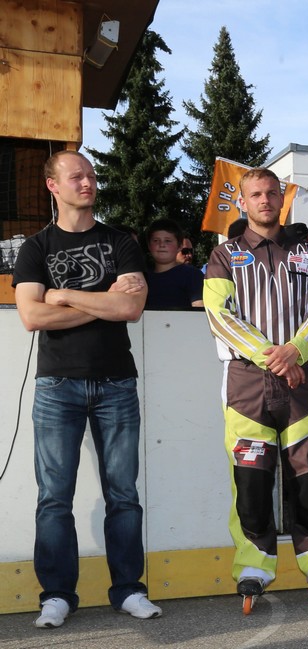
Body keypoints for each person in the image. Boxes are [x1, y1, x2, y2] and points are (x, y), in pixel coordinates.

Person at [13, 150, 160, 628]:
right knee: (54, 497)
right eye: (76, 176)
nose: (88, 182)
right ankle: (56, 595)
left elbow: (130, 309)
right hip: (57, 386)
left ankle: (129, 589)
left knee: (124, 494)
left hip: (117, 381)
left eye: (92, 175)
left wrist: (65, 295)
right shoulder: (35, 248)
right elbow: (32, 316)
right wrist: (101, 302)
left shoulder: (120, 242)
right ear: (53, 186)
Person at [203, 167, 308, 607]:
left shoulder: (307, 252)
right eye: (256, 194)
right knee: (251, 479)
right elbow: (219, 315)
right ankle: (254, 565)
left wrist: (296, 351)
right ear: (242, 201)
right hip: (246, 383)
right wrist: (275, 356)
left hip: (301, 381)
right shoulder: (224, 255)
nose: (265, 200)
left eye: (271, 193)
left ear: (281, 199)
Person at [143, 219, 203, 309]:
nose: (161, 245)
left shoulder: (193, 275)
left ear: (179, 246)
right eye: (156, 240)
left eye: (167, 241)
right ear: (149, 245)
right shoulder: (141, 278)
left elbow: (199, 308)